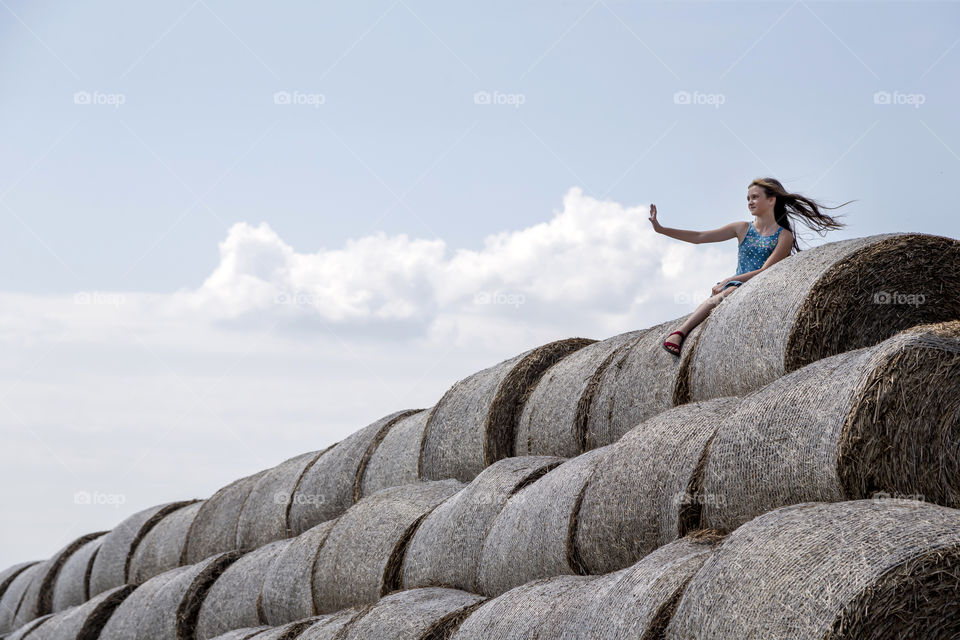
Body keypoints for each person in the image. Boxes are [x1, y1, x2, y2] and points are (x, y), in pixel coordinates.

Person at [649, 177, 853, 356]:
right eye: (748, 198)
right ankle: (679, 332)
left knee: (723, 295)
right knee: (717, 299)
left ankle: (683, 330)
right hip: (736, 285)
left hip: (761, 285)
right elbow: (700, 237)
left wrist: (729, 279)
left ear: (771, 200)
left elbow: (766, 271)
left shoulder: (784, 236)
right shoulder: (742, 228)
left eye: (755, 197)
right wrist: (661, 229)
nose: (750, 202)